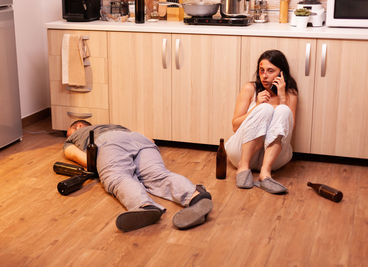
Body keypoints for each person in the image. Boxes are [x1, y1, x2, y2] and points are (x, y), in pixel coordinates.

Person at [63, 120, 213, 232]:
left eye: (68, 132)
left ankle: (144, 206)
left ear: (78, 127)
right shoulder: (115, 125)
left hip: (108, 143)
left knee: (118, 177)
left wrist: (104, 167)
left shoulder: (75, 137)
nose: (68, 135)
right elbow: (150, 140)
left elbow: (80, 157)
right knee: (158, 175)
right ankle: (195, 195)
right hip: (140, 140)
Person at [225, 50, 298, 194]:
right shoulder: (250, 88)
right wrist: (257, 106)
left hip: (273, 158)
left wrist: (282, 98)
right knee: (264, 108)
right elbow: (235, 126)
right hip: (242, 153)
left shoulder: (291, 94)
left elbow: (288, 131)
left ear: (281, 73)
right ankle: (243, 167)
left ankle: (265, 173)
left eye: (270, 71)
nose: (264, 75)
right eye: (261, 70)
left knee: (283, 110)